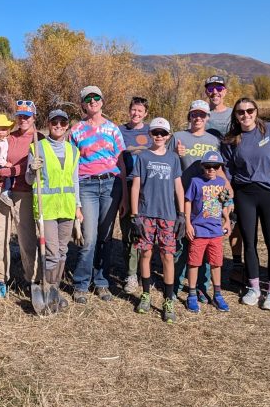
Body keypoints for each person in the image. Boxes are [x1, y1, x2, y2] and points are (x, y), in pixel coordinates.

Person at [220, 98, 270, 311]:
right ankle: (253, 288)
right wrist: (228, 194)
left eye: (249, 111)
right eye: (240, 112)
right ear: (235, 115)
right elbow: (227, 169)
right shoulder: (231, 140)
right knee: (249, 241)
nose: (246, 115)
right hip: (245, 194)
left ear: (256, 111)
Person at [69, 85, 125, 303]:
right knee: (89, 238)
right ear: (83, 104)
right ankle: (81, 283)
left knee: (106, 237)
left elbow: (121, 162)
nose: (93, 101)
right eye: (88, 98)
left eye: (96, 97)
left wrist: (126, 196)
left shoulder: (113, 129)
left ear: (102, 101)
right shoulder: (76, 130)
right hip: (87, 187)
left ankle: (101, 282)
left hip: (111, 186)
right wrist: (75, 202)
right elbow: (71, 166)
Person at [26, 108, 82, 313]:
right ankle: (47, 288)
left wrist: (78, 207)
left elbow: (75, 181)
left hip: (67, 207)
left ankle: (55, 290)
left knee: (62, 251)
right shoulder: (37, 148)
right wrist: (32, 168)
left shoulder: (73, 151)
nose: (58, 126)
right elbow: (28, 180)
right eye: (54, 122)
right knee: (51, 252)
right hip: (46, 208)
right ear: (48, 124)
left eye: (63, 122)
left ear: (67, 125)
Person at [130, 117, 184, 323]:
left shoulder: (173, 158)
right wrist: (135, 215)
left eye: (163, 133)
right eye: (155, 133)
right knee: (145, 253)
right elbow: (136, 186)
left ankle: (168, 300)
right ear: (150, 134)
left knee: (168, 257)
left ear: (169, 135)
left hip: (168, 215)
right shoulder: (143, 157)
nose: (159, 136)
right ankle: (145, 294)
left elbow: (178, 186)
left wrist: (181, 214)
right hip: (145, 214)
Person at [172, 100, 224, 300]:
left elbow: (219, 169)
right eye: (194, 114)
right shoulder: (178, 136)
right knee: (183, 244)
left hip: (207, 202)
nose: (198, 118)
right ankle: (177, 285)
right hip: (182, 197)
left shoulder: (213, 140)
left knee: (206, 247)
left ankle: (202, 287)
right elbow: (166, 160)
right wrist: (176, 154)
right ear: (189, 116)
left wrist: (228, 195)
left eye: (202, 114)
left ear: (207, 117)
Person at [0, 101, 40, 298]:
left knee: (27, 241)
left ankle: (32, 279)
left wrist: (3, 171)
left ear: (34, 117)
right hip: (2, 191)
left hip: (25, 194)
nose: (23, 119)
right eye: (20, 116)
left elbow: (25, 167)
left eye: (27, 116)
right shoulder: (8, 137)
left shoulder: (38, 139)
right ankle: (1, 280)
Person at [182, 150, 233, 313]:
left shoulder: (221, 182)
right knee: (194, 262)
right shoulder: (195, 182)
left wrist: (226, 220)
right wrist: (188, 223)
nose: (211, 169)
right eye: (208, 166)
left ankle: (217, 294)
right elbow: (188, 202)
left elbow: (223, 203)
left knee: (216, 263)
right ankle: (191, 294)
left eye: (215, 166)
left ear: (220, 167)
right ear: (202, 166)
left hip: (216, 231)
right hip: (199, 231)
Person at [118, 96, 150, 294]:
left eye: (140, 111)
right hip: (127, 184)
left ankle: (146, 270)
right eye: (133, 110)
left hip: (149, 186)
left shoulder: (152, 131)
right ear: (129, 110)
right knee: (129, 230)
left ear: (145, 113)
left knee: (147, 230)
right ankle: (131, 275)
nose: (136, 114)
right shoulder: (120, 131)